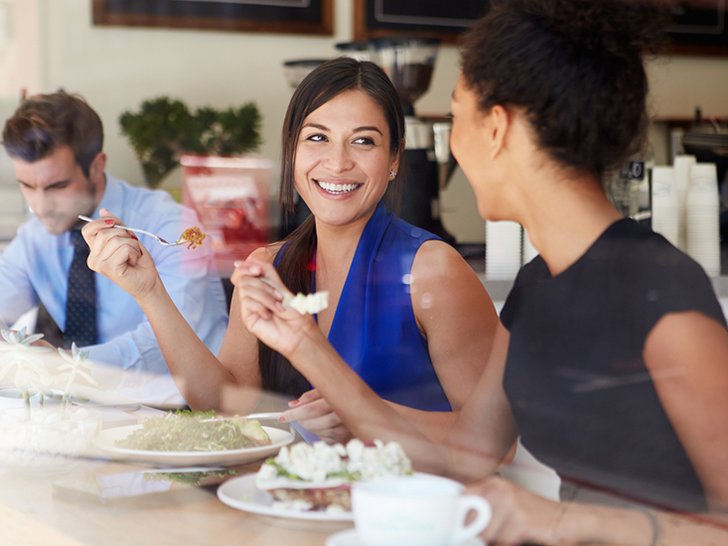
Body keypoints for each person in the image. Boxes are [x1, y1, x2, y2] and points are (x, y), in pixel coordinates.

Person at [235, 1, 728, 543]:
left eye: (455, 115)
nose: (453, 145)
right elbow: (465, 457)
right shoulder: (539, 286)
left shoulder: (657, 288)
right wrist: (303, 344)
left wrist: (563, 520)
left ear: (497, 127)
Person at [81, 58, 499, 441]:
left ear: (394, 159)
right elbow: (225, 406)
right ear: (292, 151)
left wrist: (362, 415)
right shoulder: (267, 266)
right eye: (317, 137)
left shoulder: (432, 271)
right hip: (297, 506)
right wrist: (149, 292)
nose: (337, 163)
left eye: (364, 142)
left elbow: (490, 444)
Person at [0, 90, 228, 406]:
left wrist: (67, 366)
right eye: (27, 186)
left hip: (189, 411)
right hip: (93, 414)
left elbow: (167, 346)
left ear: (96, 166)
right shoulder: (34, 238)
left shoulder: (171, 227)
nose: (40, 206)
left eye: (57, 186)